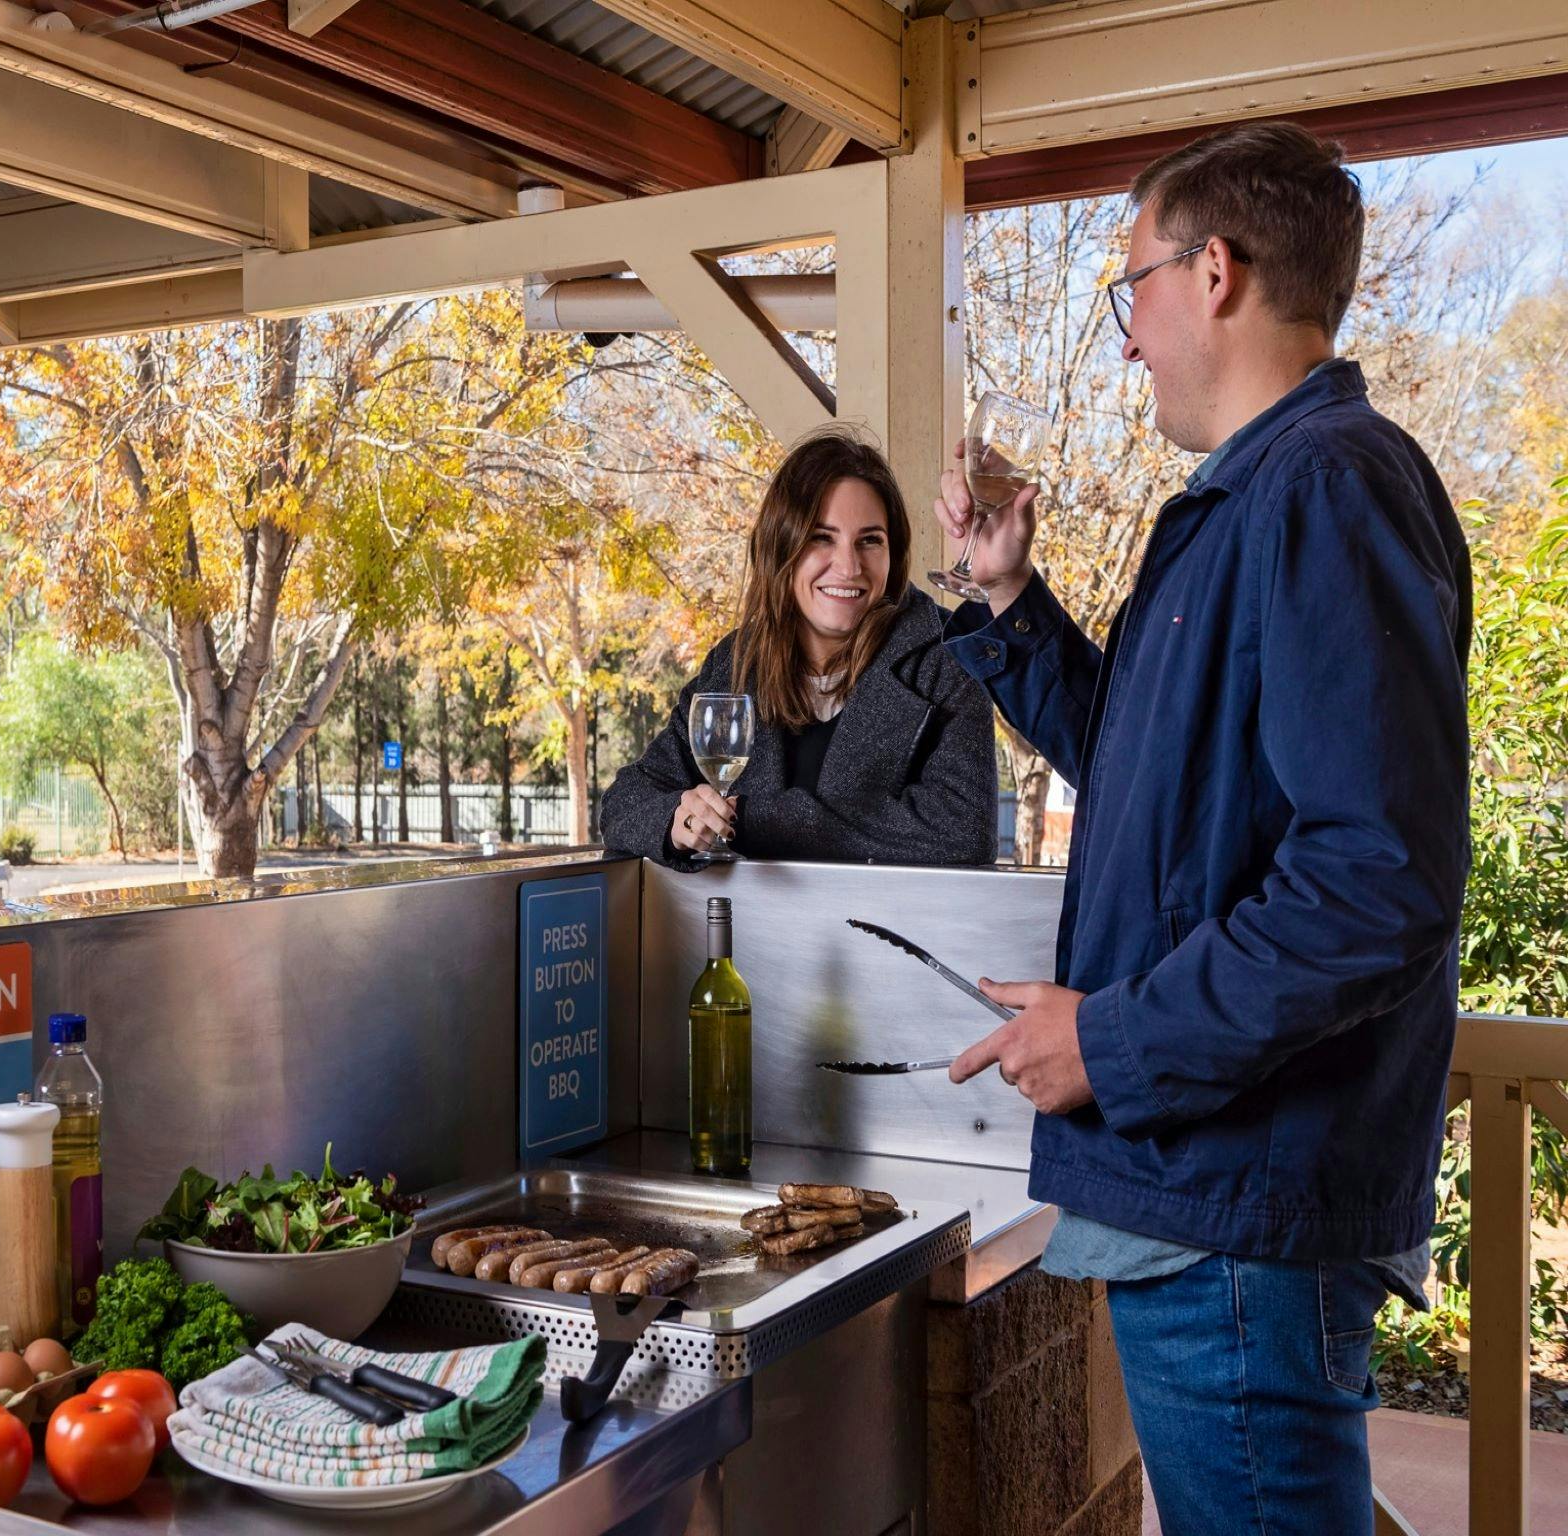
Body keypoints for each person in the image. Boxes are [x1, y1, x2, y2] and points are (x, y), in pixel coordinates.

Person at [936, 122, 1470, 1535]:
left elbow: (1372, 883)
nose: (1128, 342)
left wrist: (1104, 1040)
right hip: (1222, 1207)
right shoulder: (1260, 498)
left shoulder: (1321, 487)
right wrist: (1008, 601)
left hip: (1241, 1207)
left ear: (1215, 271)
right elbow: (1155, 777)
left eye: (1134, 292)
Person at [602, 429, 996, 868]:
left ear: (894, 553)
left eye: (870, 540)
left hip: (890, 933)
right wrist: (680, 821)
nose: (848, 567)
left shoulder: (948, 657)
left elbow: (965, 831)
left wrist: (755, 820)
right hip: (751, 932)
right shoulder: (735, 663)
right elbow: (623, 804)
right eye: (820, 538)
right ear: (780, 547)